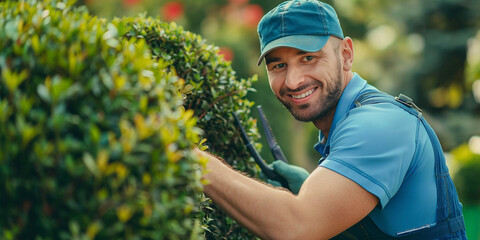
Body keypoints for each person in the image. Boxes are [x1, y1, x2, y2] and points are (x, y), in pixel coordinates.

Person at [195, 0, 467, 239]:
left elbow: (296, 228)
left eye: (309, 58)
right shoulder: (337, 123)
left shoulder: (378, 125)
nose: (293, 81)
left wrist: (192, 158)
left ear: (346, 54)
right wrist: (309, 188)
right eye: (278, 65)